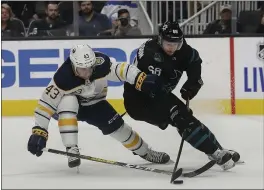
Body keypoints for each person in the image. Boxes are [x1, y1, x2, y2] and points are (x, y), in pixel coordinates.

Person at [27, 44, 171, 168]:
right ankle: (71, 149)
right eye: (81, 69)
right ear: (73, 65)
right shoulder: (63, 77)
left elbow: (122, 69)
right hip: (69, 107)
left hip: (95, 103)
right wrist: (39, 131)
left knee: (120, 129)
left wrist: (141, 79)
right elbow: (45, 104)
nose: (87, 73)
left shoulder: (100, 64)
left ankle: (146, 152)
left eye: (89, 68)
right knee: (68, 101)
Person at [123, 21, 241, 171]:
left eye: (176, 44)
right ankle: (214, 152)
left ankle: (218, 150)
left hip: (161, 94)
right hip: (138, 101)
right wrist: (174, 111)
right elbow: (151, 87)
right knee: (181, 118)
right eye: (168, 43)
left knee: (186, 119)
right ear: (160, 40)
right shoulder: (149, 53)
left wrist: (193, 84)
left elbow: (194, 61)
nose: (172, 47)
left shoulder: (184, 50)